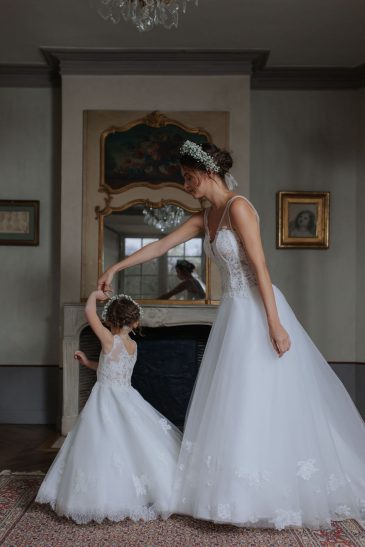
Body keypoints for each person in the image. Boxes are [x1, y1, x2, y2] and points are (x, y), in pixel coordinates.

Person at [98, 140, 365, 530]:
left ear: (208, 173)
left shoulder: (239, 207)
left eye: (189, 178)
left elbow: (259, 266)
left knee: (264, 395)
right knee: (235, 399)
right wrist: (115, 267)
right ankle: (235, 492)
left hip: (258, 309)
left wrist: (275, 324)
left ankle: (275, 489)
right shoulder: (204, 217)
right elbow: (160, 246)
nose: (186, 186)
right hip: (233, 314)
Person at [35, 291, 182, 524]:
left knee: (103, 442)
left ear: (110, 321)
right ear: (134, 322)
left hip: (105, 400)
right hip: (127, 396)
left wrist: (94, 294)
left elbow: (88, 312)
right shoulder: (132, 344)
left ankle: (103, 495)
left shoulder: (108, 339)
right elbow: (111, 368)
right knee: (130, 443)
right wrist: (87, 362)